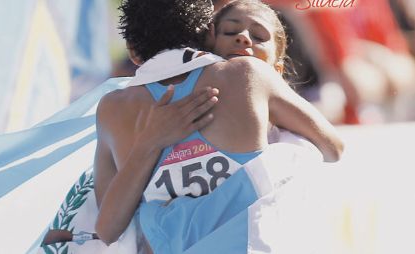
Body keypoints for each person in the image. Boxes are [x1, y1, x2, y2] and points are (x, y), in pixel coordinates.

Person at [94, 0, 343, 252]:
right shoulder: (247, 75)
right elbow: (333, 149)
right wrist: (279, 149)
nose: (243, 40)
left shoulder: (111, 109)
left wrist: (150, 143)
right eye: (231, 31)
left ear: (132, 51)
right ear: (208, 34)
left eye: (257, 36)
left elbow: (107, 230)